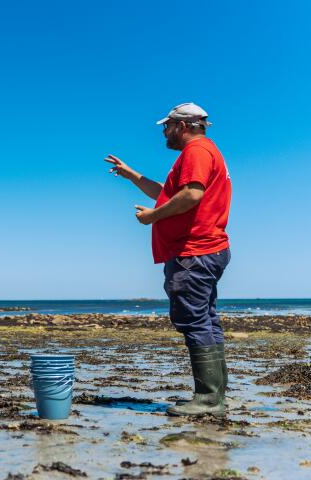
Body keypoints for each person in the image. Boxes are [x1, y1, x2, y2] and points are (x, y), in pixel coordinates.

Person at [105, 102, 232, 417]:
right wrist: (132, 175)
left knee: (194, 320)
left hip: (194, 252)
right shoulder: (204, 152)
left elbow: (191, 195)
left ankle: (208, 399)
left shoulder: (196, 151)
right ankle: (215, 396)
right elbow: (168, 192)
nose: (164, 132)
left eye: (167, 126)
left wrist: (152, 217)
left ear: (183, 126)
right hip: (206, 250)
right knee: (206, 320)